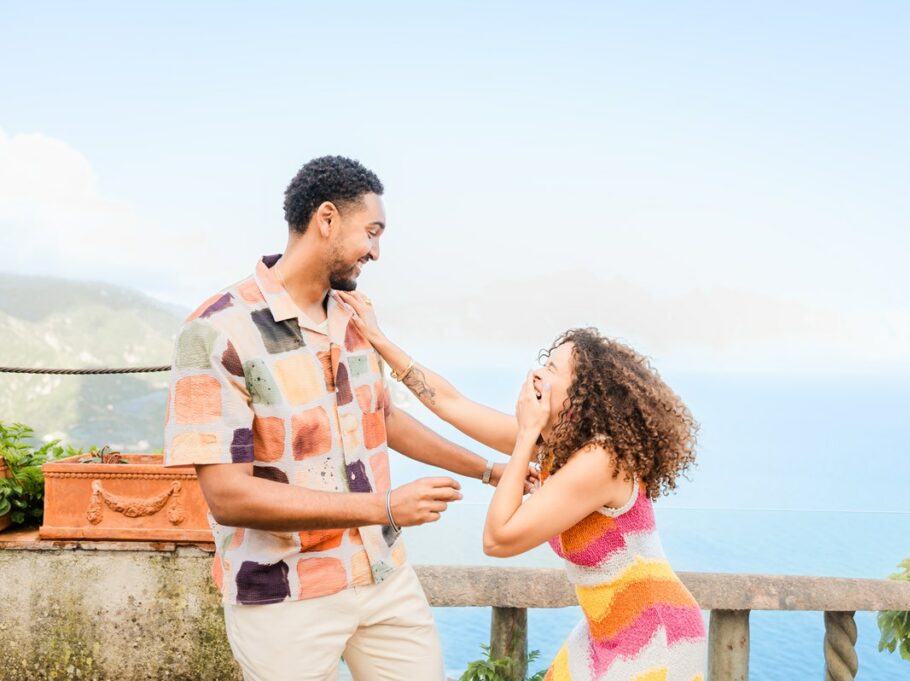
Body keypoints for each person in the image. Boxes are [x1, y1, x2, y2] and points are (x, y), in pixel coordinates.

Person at [163, 155, 533, 681]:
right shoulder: (217, 329)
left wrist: (490, 471)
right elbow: (227, 495)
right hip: (284, 595)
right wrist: (384, 504)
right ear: (328, 219)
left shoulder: (355, 317)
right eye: (372, 232)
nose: (377, 252)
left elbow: (386, 421)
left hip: (383, 576)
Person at [341, 294, 708, 681]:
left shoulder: (600, 461)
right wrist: (379, 340)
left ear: (582, 391)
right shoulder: (562, 448)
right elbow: (451, 403)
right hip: (605, 630)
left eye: (552, 368)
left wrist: (526, 435)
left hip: (656, 635)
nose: (537, 373)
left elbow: (498, 539)